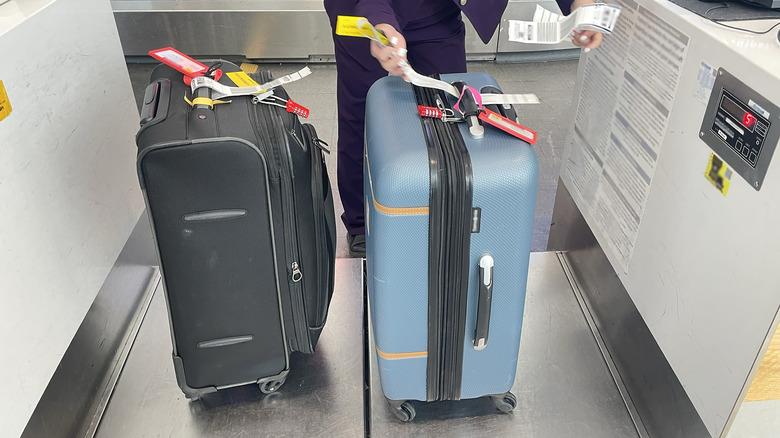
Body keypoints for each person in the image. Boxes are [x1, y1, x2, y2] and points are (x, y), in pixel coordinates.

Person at [324, 0, 603, 257]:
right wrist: (379, 19)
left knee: (452, 110)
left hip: (434, 9)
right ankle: (361, 224)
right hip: (364, 10)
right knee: (363, 110)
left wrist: (580, 4)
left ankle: (441, 206)